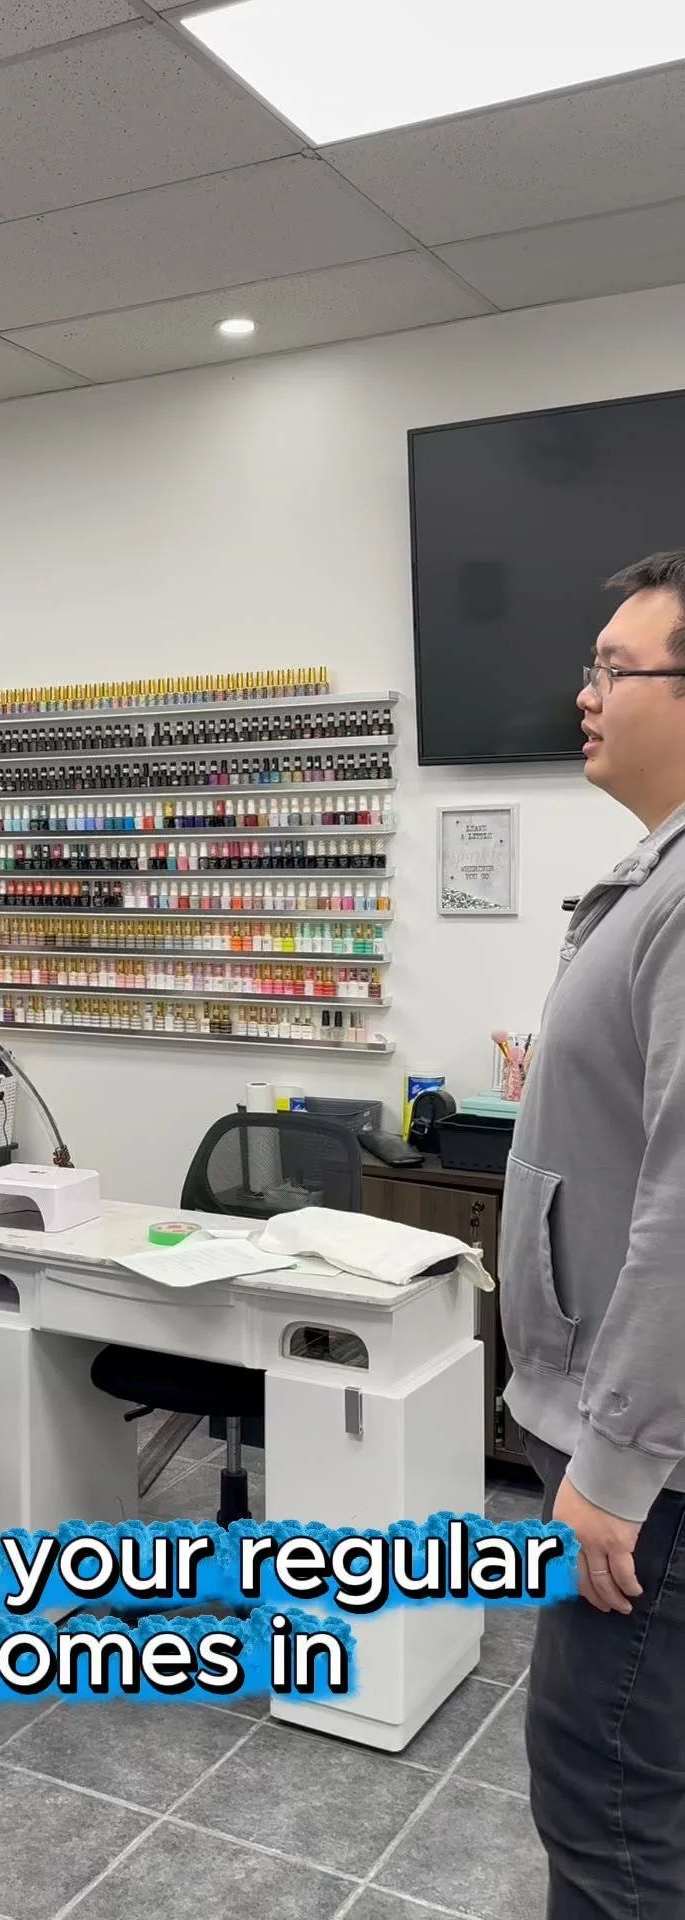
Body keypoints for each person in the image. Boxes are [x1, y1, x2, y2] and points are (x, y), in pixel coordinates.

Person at [499, 549, 685, 1919]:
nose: (585, 691)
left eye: (615, 668)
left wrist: (616, 1462)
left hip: (652, 1478)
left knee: (608, 1811)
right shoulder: (653, 877)